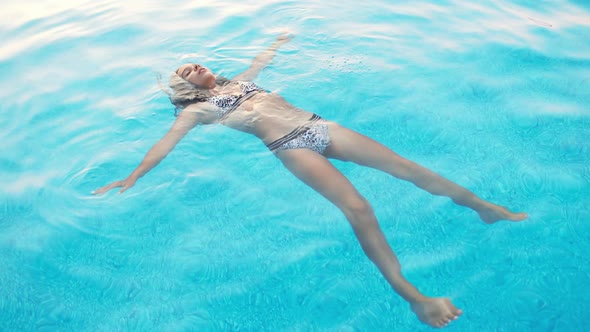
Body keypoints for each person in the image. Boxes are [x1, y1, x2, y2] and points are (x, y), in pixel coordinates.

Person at [94, 33, 527, 328]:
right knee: (359, 209)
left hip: (319, 125)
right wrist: (132, 176)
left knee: (409, 168)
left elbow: (263, 59)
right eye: (184, 71)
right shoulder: (197, 111)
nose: (191, 66)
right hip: (291, 146)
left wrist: (281, 38)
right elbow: (166, 143)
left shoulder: (243, 81)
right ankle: (414, 296)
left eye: (193, 62)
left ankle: (484, 208)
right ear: (184, 89)